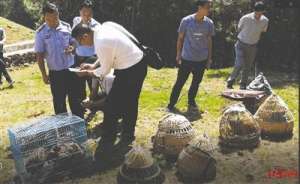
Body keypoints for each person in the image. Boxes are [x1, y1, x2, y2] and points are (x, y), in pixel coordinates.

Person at [71, 22, 147, 165]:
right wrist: (93, 65)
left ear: (85, 36)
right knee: (130, 102)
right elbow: (107, 54)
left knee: (112, 106)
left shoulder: (101, 42)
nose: (81, 45)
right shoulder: (103, 27)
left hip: (131, 69)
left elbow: (104, 71)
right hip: (137, 63)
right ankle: (127, 136)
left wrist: (87, 72)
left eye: (80, 41)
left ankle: (107, 146)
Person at [34, 2, 84, 118]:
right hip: (56, 74)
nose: (52, 22)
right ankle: (64, 132)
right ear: (44, 18)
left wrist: (72, 47)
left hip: (71, 69)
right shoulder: (41, 33)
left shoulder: (66, 27)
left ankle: (79, 127)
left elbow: (73, 41)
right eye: (49, 19)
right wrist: (44, 74)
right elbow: (39, 56)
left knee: (75, 100)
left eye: (55, 18)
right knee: (59, 103)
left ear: (58, 14)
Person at [167, 0, 214, 112]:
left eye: (210, 7)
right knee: (180, 82)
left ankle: (191, 102)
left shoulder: (209, 23)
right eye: (207, 7)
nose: (209, 10)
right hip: (187, 57)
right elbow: (180, 38)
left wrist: (209, 59)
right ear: (200, 7)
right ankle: (171, 104)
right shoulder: (186, 21)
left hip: (201, 59)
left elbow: (209, 41)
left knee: (196, 82)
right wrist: (178, 54)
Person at [227, 1, 269, 89]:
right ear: (254, 11)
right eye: (257, 13)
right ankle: (230, 81)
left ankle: (243, 84)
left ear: (263, 12)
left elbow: (262, 32)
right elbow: (239, 29)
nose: (259, 15)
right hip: (241, 44)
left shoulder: (265, 20)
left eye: (261, 13)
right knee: (239, 63)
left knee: (248, 66)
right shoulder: (245, 18)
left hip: (253, 46)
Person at [72, 0, 101, 99]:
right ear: (80, 12)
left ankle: (94, 103)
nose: (86, 16)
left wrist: (87, 27)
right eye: (84, 13)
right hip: (78, 56)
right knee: (79, 83)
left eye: (89, 14)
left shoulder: (97, 27)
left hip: (91, 57)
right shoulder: (76, 20)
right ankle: (82, 104)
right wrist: (73, 47)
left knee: (92, 81)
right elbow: (75, 37)